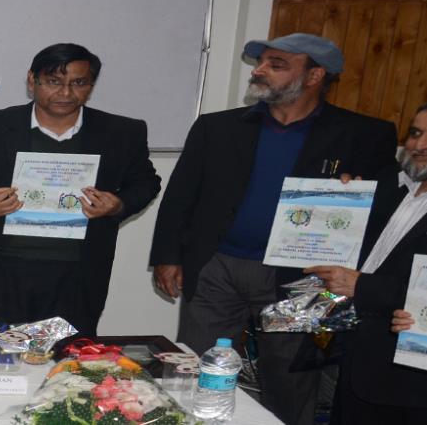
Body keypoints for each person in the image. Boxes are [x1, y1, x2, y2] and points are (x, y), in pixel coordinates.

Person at [149, 33, 398, 424]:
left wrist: (359, 191)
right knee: (199, 368)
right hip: (217, 267)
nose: (260, 70)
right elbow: (181, 195)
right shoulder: (217, 127)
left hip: (305, 278)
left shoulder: (365, 134)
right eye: (261, 62)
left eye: (276, 64)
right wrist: (167, 256)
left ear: (315, 75)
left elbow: (389, 212)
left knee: (290, 381)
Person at [0, 43, 160, 336]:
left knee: (65, 359)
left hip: (76, 275)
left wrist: (119, 204)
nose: (65, 93)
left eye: (79, 83)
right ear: (31, 80)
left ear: (91, 86)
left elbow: (146, 182)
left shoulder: (121, 132)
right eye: (53, 81)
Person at [304, 104, 427, 423]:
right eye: (415, 133)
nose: (419, 145)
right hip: (353, 351)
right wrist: (345, 197)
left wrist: (362, 285)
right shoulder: (389, 183)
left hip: (408, 377)